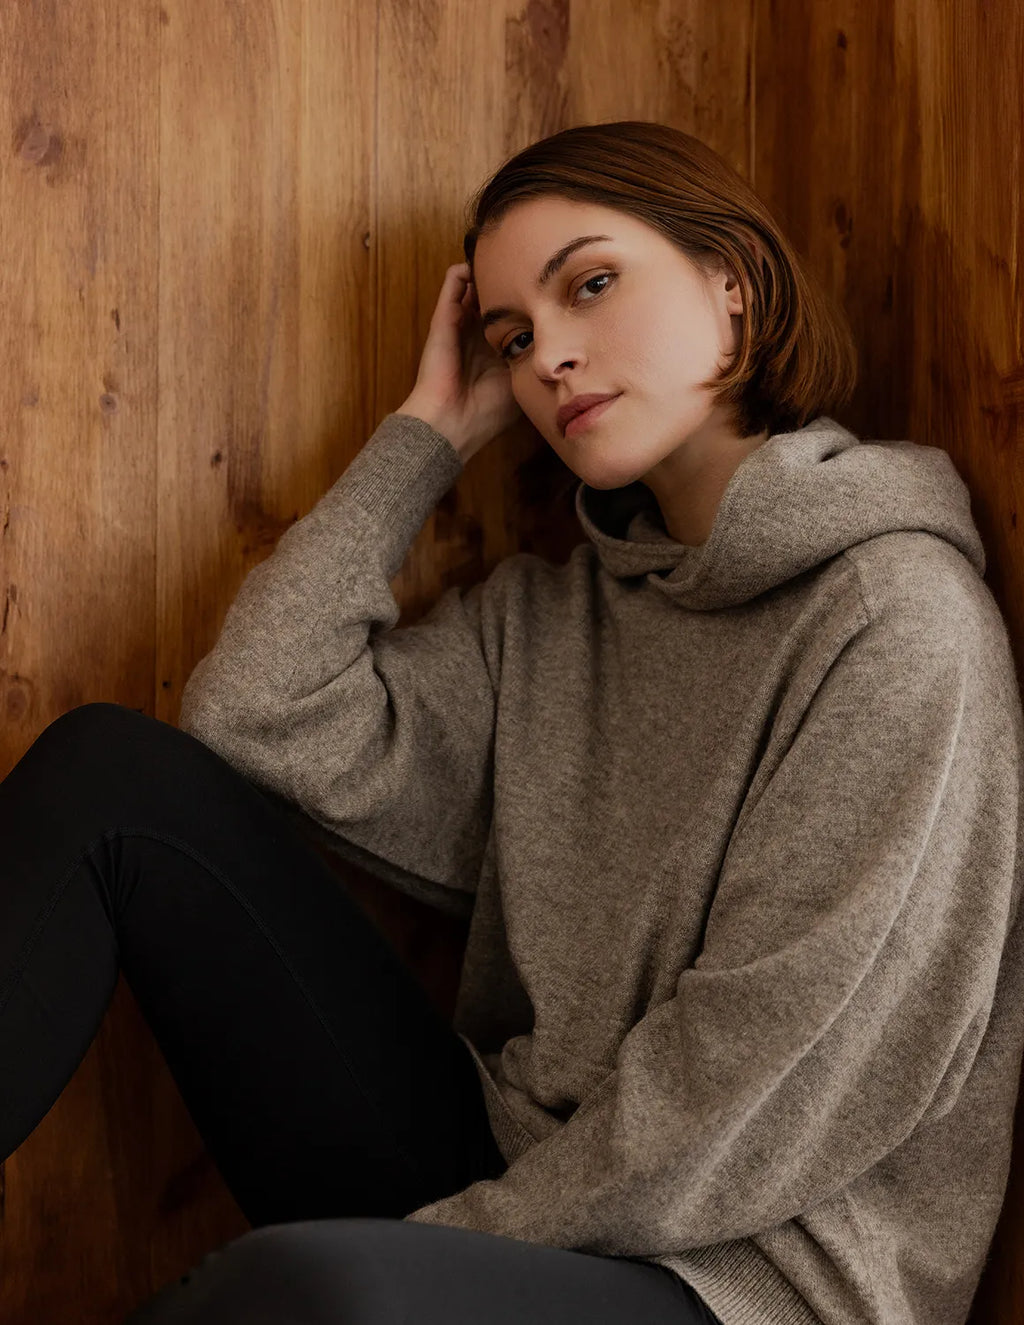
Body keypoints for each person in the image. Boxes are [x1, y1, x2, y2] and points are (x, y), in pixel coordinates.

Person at [2, 120, 1022, 1325]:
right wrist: (431, 434)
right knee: (119, 782)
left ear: (733, 286)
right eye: (514, 337)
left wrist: (429, 1248)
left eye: (592, 285)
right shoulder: (553, 619)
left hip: (740, 1275)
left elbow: (754, 1083)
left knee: (303, 1288)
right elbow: (260, 712)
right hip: (517, 1189)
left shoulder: (893, 618)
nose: (551, 358)